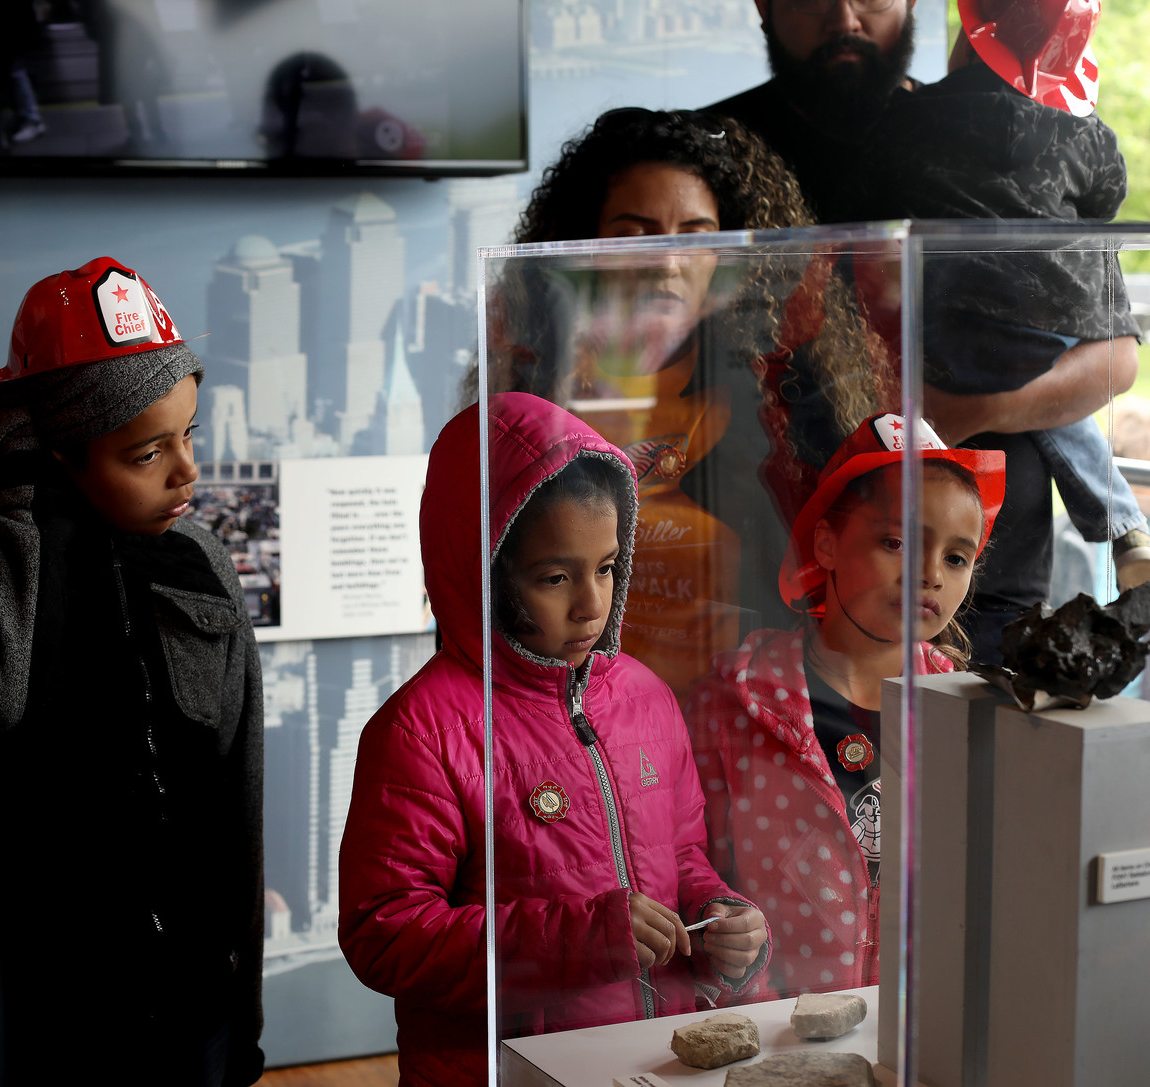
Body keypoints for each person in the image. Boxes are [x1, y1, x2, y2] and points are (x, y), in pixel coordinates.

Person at [339, 392, 769, 1087]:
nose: (591, 602)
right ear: (486, 570)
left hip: (649, 1063)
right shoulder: (423, 729)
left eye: (605, 566)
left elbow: (681, 855)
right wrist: (578, 940)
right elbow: (383, 932)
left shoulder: (645, 698)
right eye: (555, 577)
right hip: (506, 1071)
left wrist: (723, 918)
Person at [0, 257, 265, 1087]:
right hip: (39, 1017)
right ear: (52, 450)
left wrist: (244, 1007)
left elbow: (237, 796)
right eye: (147, 450)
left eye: (190, 432)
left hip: (193, 1004)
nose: (187, 469)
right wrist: (19, 502)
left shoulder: (198, 562)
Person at [483, 107, 893, 688]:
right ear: (584, 245)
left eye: (697, 240)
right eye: (633, 236)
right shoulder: (535, 396)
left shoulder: (786, 401)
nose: (667, 264)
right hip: (573, 726)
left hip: (742, 725)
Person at [687, 412, 1005, 997]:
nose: (929, 575)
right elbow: (691, 865)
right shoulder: (735, 704)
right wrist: (727, 946)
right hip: (776, 1031)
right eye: (897, 542)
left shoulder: (967, 711)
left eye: (957, 558)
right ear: (827, 543)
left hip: (921, 1029)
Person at [851, 0, 1149, 592]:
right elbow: (1107, 201)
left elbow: (874, 192)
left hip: (942, 328)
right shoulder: (1086, 134)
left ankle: (1123, 528)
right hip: (1046, 327)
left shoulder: (907, 117)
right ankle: (1124, 528)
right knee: (1053, 396)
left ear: (969, 34)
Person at [705, 0, 920, 223]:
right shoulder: (705, 149)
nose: (845, 22)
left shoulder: (955, 134)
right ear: (765, 9)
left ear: (911, 4)